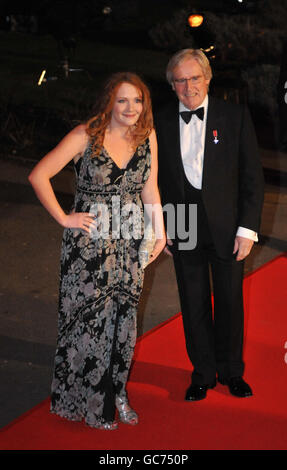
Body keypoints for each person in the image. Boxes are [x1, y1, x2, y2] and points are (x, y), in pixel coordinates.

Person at [28, 72, 166, 429]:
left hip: (131, 241)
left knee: (124, 321)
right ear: (109, 101)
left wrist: (161, 231)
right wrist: (64, 218)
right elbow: (39, 175)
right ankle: (87, 400)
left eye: (137, 100)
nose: (131, 108)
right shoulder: (85, 135)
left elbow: (150, 189)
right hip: (89, 246)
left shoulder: (147, 136)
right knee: (90, 321)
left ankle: (117, 391)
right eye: (122, 100)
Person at [155, 49, 264, 401]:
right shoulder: (160, 122)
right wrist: (160, 226)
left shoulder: (234, 117)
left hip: (227, 226)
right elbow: (149, 181)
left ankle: (232, 372)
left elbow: (252, 178)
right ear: (172, 86)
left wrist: (247, 228)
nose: (189, 86)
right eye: (181, 80)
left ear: (208, 78)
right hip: (182, 223)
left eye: (195, 78)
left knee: (230, 301)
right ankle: (201, 373)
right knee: (193, 300)